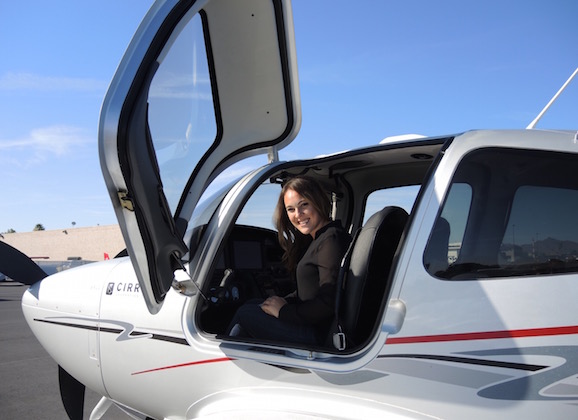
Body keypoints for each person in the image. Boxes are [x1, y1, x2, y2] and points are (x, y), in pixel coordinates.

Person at [227, 176, 351, 345]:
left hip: (317, 333)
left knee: (245, 313)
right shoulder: (319, 239)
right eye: (291, 209)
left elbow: (328, 303)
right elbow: (309, 291)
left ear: (318, 201)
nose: (298, 215)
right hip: (311, 323)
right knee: (254, 304)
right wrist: (284, 301)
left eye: (304, 205)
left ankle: (223, 359)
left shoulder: (331, 240)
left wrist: (283, 311)